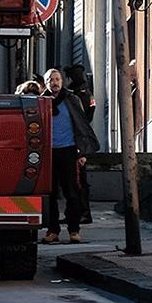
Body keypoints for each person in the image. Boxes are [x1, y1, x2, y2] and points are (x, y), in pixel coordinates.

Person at [41, 67, 99, 245]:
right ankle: (53, 230)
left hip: (69, 151)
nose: (54, 83)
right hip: (48, 152)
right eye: (51, 80)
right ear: (46, 83)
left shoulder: (72, 99)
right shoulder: (40, 102)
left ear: (62, 81)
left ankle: (74, 230)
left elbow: (81, 125)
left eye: (57, 79)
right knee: (50, 193)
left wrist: (82, 152)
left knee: (72, 192)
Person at [64, 65, 96, 224]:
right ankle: (79, 212)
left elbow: (82, 118)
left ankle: (83, 212)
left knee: (78, 181)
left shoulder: (77, 95)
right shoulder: (86, 92)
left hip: (77, 140)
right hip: (80, 139)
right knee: (76, 180)